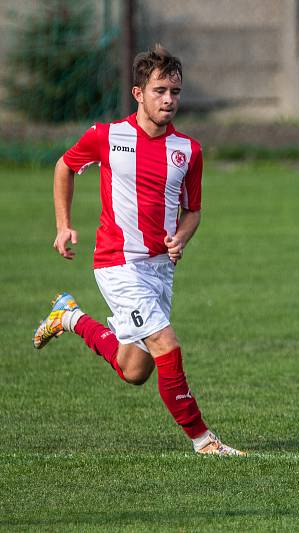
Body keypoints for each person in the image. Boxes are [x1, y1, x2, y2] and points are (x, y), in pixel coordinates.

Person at [33, 44, 244, 456]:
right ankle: (204, 441)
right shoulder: (107, 136)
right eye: (160, 90)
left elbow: (193, 211)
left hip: (159, 269)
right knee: (167, 345)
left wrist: (181, 237)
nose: (169, 100)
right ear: (138, 93)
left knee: (134, 370)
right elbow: (64, 166)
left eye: (176, 92)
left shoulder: (188, 151)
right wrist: (63, 224)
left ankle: (69, 316)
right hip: (117, 263)